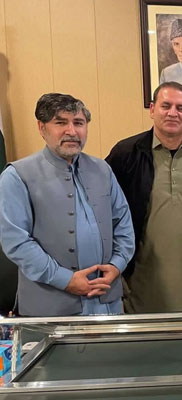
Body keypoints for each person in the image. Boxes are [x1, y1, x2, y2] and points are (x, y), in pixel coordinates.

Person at [0, 93, 134, 316]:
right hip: (51, 307)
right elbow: (16, 242)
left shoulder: (102, 170)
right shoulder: (17, 176)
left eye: (78, 123)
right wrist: (65, 279)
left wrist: (116, 265)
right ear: (42, 128)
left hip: (107, 302)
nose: (71, 131)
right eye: (61, 122)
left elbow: (124, 225)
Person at [106, 82, 182, 313]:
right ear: (152, 109)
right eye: (166, 106)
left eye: (180, 108)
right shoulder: (126, 154)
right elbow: (106, 211)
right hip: (141, 275)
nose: (172, 113)